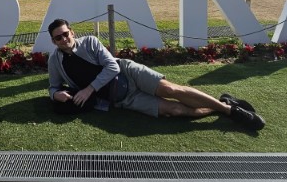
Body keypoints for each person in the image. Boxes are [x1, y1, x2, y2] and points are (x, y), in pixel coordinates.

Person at [46, 19, 265, 130]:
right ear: (53, 41)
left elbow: (112, 67)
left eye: (66, 34)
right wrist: (56, 95)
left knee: (172, 90)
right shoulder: (55, 61)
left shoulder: (90, 42)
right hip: (122, 99)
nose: (64, 39)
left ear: (72, 32)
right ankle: (220, 105)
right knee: (175, 110)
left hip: (128, 73)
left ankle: (231, 111)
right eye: (58, 38)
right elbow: (53, 86)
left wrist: (88, 89)